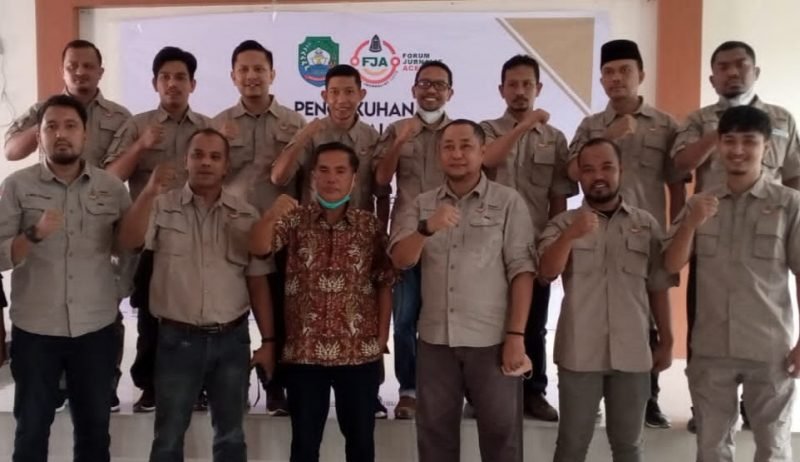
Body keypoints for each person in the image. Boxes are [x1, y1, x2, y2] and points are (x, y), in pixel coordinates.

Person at [117, 128, 276, 462]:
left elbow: (257, 281)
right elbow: (128, 241)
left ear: (226, 166)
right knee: (168, 438)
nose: (206, 162)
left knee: (231, 437)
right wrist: (148, 192)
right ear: (185, 161)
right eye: (198, 155)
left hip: (231, 341)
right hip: (176, 340)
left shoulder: (246, 214)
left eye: (215, 157)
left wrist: (268, 340)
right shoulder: (161, 206)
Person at [669, 40, 800, 432]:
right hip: (712, 227)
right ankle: (707, 405)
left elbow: (794, 175)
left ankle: (755, 404)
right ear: (712, 78)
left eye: (740, 65)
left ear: (755, 72)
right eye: (723, 67)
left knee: (767, 314)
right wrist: (723, 130)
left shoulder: (781, 119)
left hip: (767, 226)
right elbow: (679, 166)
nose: (732, 72)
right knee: (707, 319)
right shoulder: (699, 120)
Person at [390, 119, 536, 462]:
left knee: (502, 440)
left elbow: (522, 271)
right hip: (436, 343)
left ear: (483, 151)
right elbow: (400, 260)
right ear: (439, 154)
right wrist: (426, 229)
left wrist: (516, 335)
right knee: (435, 439)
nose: (457, 154)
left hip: (492, 342)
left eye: (466, 146)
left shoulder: (508, 202)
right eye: (449, 147)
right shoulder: (423, 204)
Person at [0, 94, 132, 462]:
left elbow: (129, 249)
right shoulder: (16, 186)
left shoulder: (111, 188)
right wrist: (34, 235)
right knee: (31, 432)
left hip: (95, 330)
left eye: (70, 126)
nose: (61, 134)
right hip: (36, 331)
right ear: (39, 136)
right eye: (51, 126)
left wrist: (118, 290)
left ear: (85, 134)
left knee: (94, 434)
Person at [249, 141, 395, 462]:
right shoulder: (293, 221)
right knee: (304, 445)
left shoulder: (369, 226)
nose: (331, 178)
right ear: (313, 176)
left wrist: (382, 337)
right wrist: (272, 213)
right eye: (324, 171)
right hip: (304, 354)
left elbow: (384, 283)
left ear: (353, 179)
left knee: (361, 445)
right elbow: (258, 248)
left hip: (358, 354)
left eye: (340, 171)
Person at [567, 40, 685, 428]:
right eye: (609, 72)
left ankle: (647, 396)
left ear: (641, 75)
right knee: (596, 309)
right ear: (601, 79)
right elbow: (570, 173)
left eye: (625, 70)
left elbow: (676, 182)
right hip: (597, 230)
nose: (616, 78)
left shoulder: (666, 124)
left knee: (647, 311)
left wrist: (677, 230)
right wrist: (612, 136)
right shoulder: (591, 126)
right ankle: (594, 391)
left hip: (646, 231)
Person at [540, 137, 674, 462]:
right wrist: (570, 235)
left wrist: (667, 340)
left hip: (633, 353)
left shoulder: (645, 224)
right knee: (571, 446)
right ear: (580, 176)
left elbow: (658, 285)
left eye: (606, 167)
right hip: (579, 353)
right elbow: (546, 272)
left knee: (629, 447)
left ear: (620, 170)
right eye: (588, 170)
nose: (598, 176)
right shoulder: (562, 223)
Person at [104, 46, 211, 413]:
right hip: (150, 239)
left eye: (180, 77)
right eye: (165, 77)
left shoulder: (207, 128)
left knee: (194, 314)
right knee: (151, 316)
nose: (173, 84)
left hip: (196, 239)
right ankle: (149, 386)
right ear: (154, 83)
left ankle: (196, 386)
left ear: (193, 84)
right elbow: (111, 177)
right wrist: (141, 146)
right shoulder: (138, 126)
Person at [480, 54, 577, 422]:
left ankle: (533, 391)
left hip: (534, 244)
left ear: (538, 88)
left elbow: (558, 196)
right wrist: (524, 126)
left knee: (534, 323)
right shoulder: (487, 129)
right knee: (492, 322)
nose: (520, 91)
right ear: (501, 89)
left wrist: (554, 244)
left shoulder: (555, 139)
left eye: (527, 85)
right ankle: (489, 392)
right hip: (490, 245)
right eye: (513, 85)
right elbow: (488, 160)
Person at [212, 39, 307, 416]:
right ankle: (225, 383)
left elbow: (305, 182)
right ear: (233, 76)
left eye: (259, 69)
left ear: (272, 74)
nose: (252, 76)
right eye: (244, 70)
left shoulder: (294, 123)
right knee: (227, 311)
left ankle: (277, 385)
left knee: (284, 311)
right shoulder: (219, 123)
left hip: (282, 234)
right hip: (230, 233)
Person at [373, 60, 454, 419]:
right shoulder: (396, 129)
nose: (431, 89)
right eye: (424, 83)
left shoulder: (459, 133)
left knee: (443, 318)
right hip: (406, 236)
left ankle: (441, 390)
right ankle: (408, 390)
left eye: (439, 84)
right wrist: (400, 141)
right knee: (404, 320)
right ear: (413, 89)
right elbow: (380, 180)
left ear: (450, 92)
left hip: (448, 237)